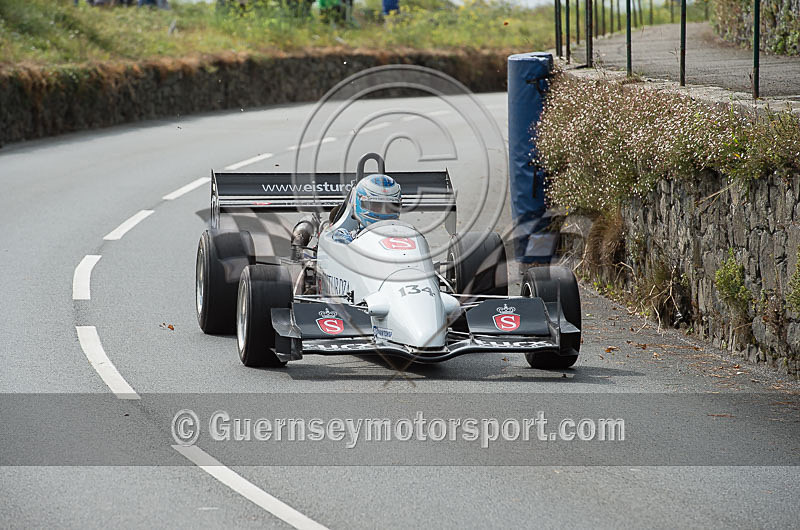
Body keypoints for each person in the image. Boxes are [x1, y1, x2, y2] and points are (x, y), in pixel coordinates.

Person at [332, 174, 402, 244]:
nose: (383, 211)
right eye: (377, 206)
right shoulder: (348, 238)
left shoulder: (405, 235)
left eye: (389, 207)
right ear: (358, 203)